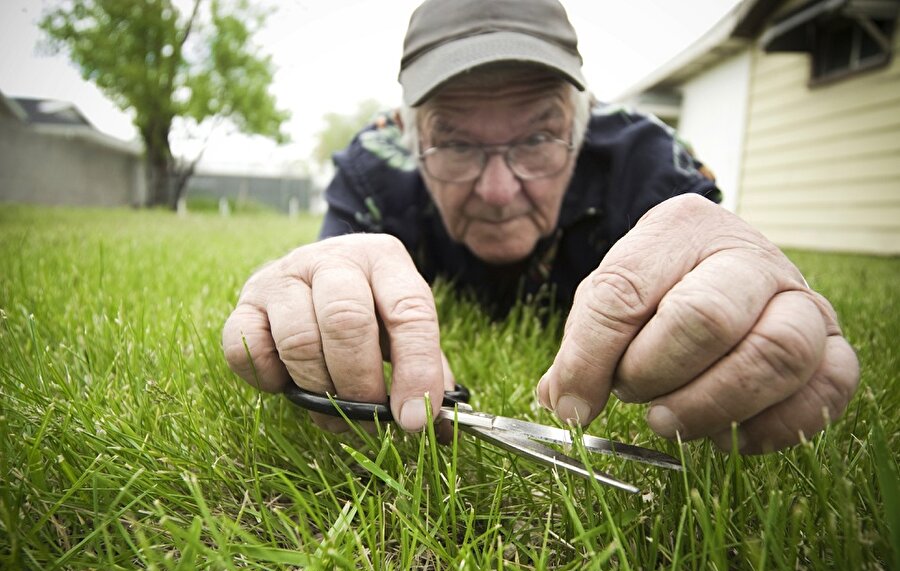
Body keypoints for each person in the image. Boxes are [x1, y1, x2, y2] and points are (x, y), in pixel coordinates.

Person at [222, 0, 860, 454]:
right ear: (409, 134)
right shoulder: (373, 165)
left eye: (538, 136)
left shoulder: (648, 161)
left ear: (583, 124)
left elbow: (720, 256)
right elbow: (323, 268)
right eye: (455, 144)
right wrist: (310, 288)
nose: (499, 193)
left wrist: (752, 295)